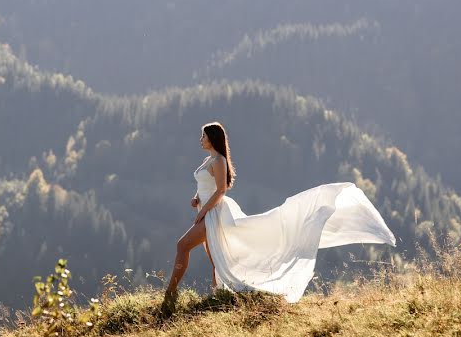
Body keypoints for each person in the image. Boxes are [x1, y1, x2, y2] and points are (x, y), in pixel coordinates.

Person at [162, 121, 396, 311]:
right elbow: (206, 186)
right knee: (216, 257)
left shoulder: (220, 160)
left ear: (212, 137)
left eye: (203, 136)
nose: (200, 140)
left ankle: (170, 293)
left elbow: (221, 189)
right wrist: (196, 198)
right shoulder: (208, 160)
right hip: (207, 210)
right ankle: (218, 298)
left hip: (215, 213)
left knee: (182, 245)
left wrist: (203, 210)